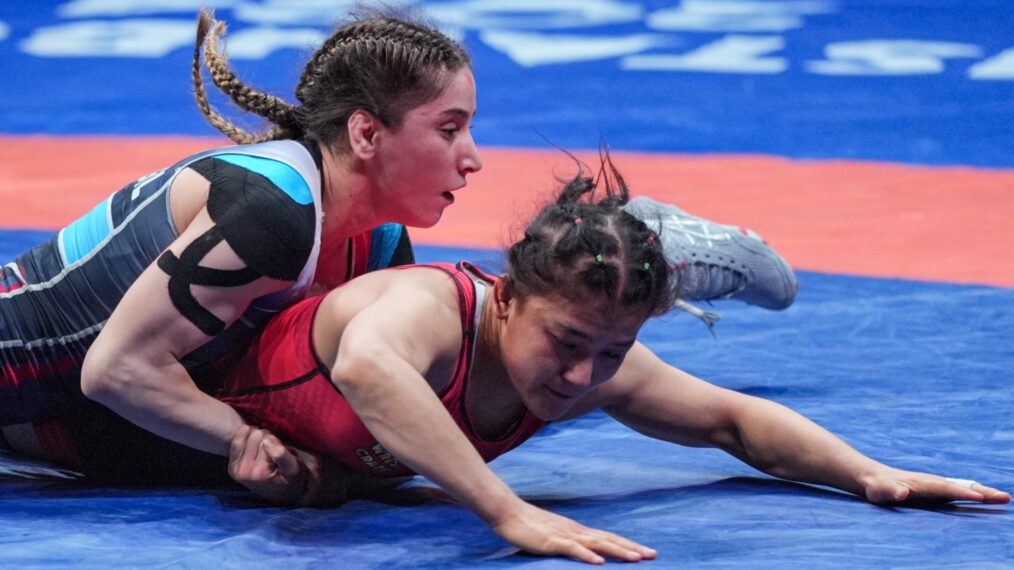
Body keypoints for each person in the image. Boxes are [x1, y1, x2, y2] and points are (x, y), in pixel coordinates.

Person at [199, 154, 1007, 564]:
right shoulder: (427, 309)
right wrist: (507, 512)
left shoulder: (583, 362)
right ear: (506, 298)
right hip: (178, 375)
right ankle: (658, 243)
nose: (584, 377)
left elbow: (732, 422)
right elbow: (371, 371)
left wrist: (867, 473)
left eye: (613, 351)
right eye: (569, 344)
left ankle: (662, 256)